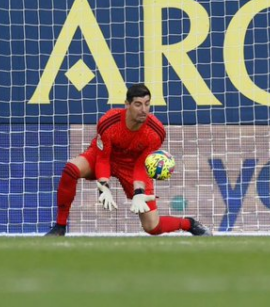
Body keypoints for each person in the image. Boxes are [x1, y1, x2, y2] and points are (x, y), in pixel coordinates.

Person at [45, 83, 211, 236]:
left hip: (132, 167)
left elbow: (141, 164)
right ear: (127, 105)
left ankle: (188, 224)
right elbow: (102, 158)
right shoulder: (109, 122)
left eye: (147, 104)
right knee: (71, 169)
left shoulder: (156, 132)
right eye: (138, 104)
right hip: (107, 157)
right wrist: (104, 186)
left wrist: (139, 192)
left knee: (152, 227)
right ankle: (60, 226)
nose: (143, 109)